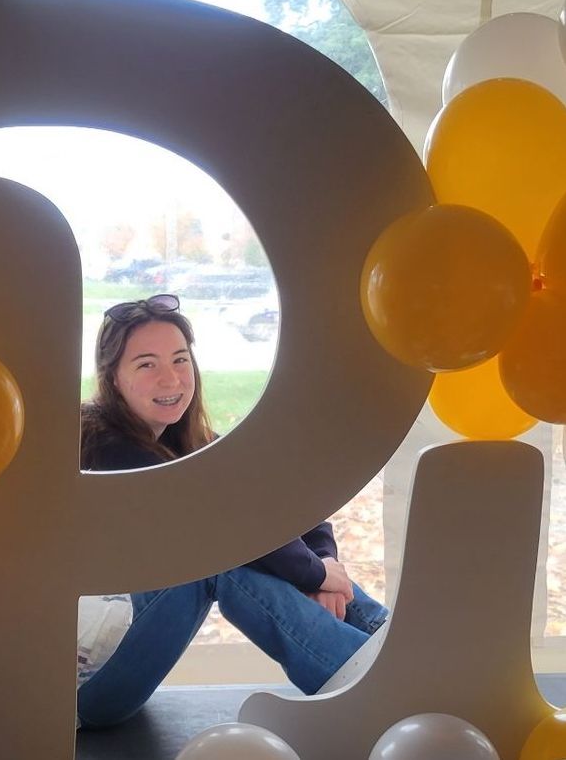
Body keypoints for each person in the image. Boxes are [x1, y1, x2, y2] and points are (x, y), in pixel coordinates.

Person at [76, 293, 387, 728]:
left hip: (124, 658)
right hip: (81, 687)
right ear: (112, 377)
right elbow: (222, 527)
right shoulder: (102, 446)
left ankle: (385, 643)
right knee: (213, 557)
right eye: (146, 364)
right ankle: (367, 684)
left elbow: (289, 506)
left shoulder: (192, 445)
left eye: (180, 359)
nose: (171, 378)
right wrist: (313, 574)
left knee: (228, 545)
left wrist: (327, 567)